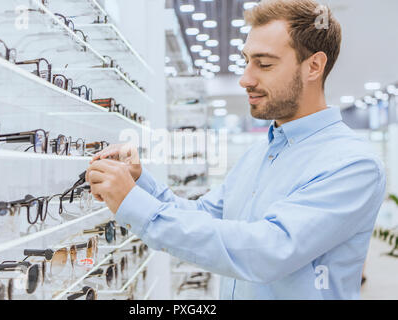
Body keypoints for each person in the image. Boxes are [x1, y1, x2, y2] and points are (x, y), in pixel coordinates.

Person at [85, 0, 386, 299]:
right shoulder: (260, 153)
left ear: (314, 66)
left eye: (264, 64)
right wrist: (140, 184)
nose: (245, 78)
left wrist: (134, 204)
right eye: (246, 60)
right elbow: (205, 215)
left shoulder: (352, 164)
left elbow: (266, 251)